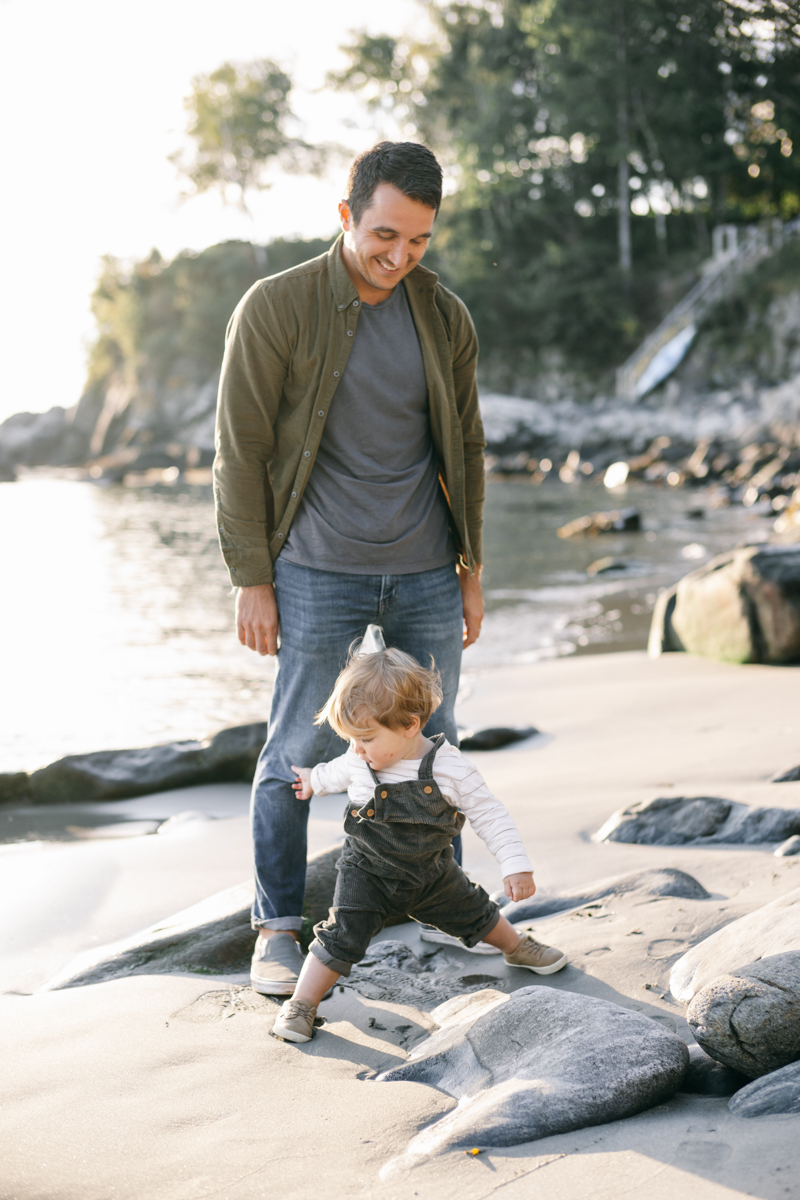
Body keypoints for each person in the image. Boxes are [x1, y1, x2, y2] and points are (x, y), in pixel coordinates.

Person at [214, 141, 487, 997]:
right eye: (384, 235)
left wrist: (471, 567)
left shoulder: (444, 317)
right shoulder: (277, 306)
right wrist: (251, 577)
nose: (399, 256)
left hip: (425, 568)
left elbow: (467, 449)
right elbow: (241, 450)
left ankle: (439, 906)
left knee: (434, 749)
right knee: (295, 749)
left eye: (418, 241)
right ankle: (279, 930)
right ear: (346, 215)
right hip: (314, 568)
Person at [271, 648, 567, 1043]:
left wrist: (515, 864)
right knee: (340, 934)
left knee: (475, 911)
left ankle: (516, 947)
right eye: (351, 739)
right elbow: (335, 772)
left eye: (366, 738)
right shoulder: (359, 759)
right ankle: (302, 1003)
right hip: (366, 871)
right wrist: (312, 780)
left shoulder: (451, 768)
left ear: (410, 725)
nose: (357, 749)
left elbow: (490, 814)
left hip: (431, 873)